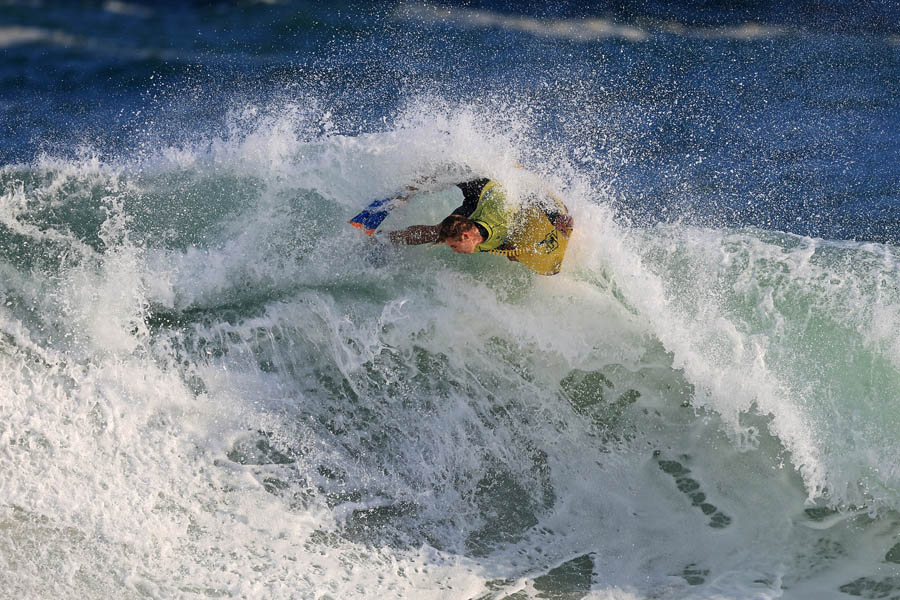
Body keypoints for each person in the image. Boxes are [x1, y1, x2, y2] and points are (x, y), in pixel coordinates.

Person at [388, 178, 574, 276]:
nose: (453, 251)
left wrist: (555, 217)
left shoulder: (500, 215)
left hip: (485, 187)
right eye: (453, 247)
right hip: (478, 205)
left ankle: (414, 187)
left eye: (454, 246)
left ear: (467, 236)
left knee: (463, 174)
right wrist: (508, 249)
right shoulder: (472, 241)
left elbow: (528, 195)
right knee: (437, 232)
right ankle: (388, 233)